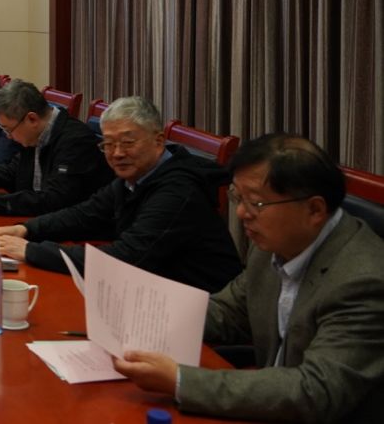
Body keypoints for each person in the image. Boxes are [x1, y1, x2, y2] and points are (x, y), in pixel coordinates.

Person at [114, 134, 384, 423]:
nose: (242, 213)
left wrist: (180, 380)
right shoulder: (272, 246)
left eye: (256, 203)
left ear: (315, 209)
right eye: (238, 197)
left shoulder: (363, 281)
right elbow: (228, 311)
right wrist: (141, 320)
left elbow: (314, 391)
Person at [0, 96, 241, 292]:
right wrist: (27, 229)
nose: (117, 153)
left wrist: (32, 251)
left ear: (159, 141)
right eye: (108, 144)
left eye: (128, 143)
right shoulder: (133, 178)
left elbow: (126, 258)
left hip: (199, 314)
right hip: (149, 292)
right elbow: (85, 214)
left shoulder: (178, 190)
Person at [0, 79, 111, 216]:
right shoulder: (35, 133)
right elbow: (12, 170)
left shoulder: (75, 141)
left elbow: (54, 200)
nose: (9, 136)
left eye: (8, 129)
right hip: (36, 220)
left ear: (32, 119)